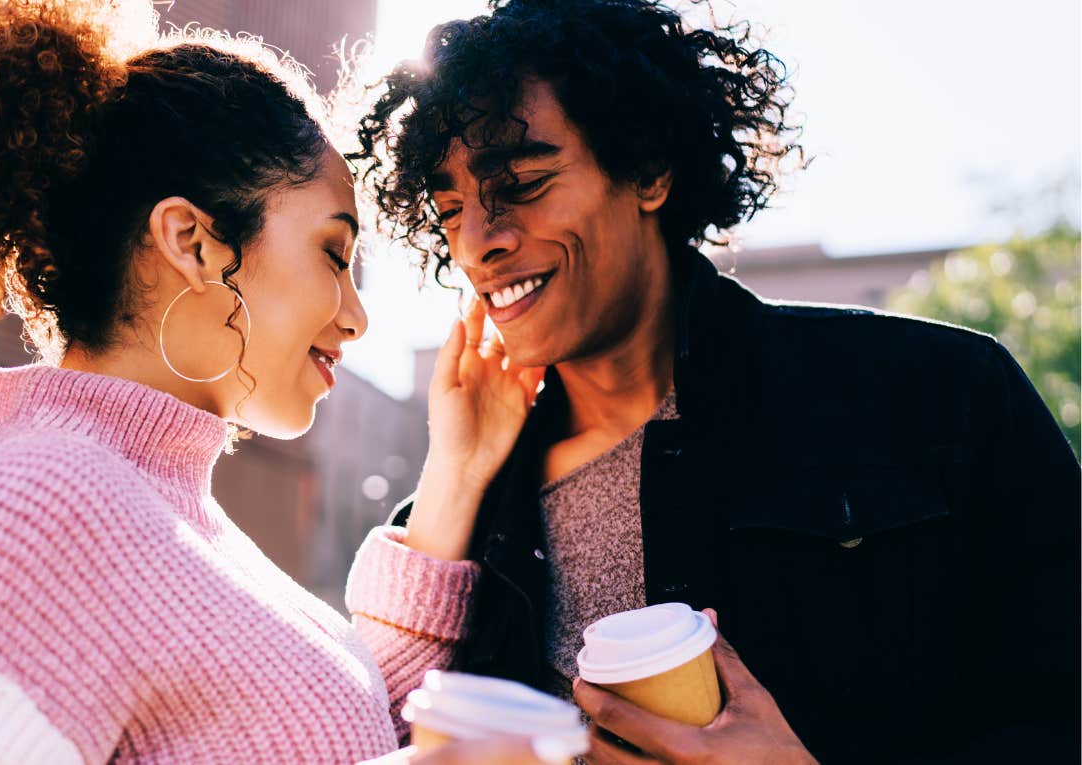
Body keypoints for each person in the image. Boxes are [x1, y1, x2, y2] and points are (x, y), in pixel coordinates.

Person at [0, 1, 556, 763]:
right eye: (333, 253)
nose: (356, 318)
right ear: (192, 240)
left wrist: (454, 471)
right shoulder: (39, 517)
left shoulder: (151, 511)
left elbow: (332, 735)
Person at [351, 0, 1082, 762]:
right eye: (449, 208)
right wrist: (453, 477)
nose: (478, 242)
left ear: (649, 169)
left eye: (524, 184)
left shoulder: (943, 397)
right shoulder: (463, 515)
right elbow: (368, 734)